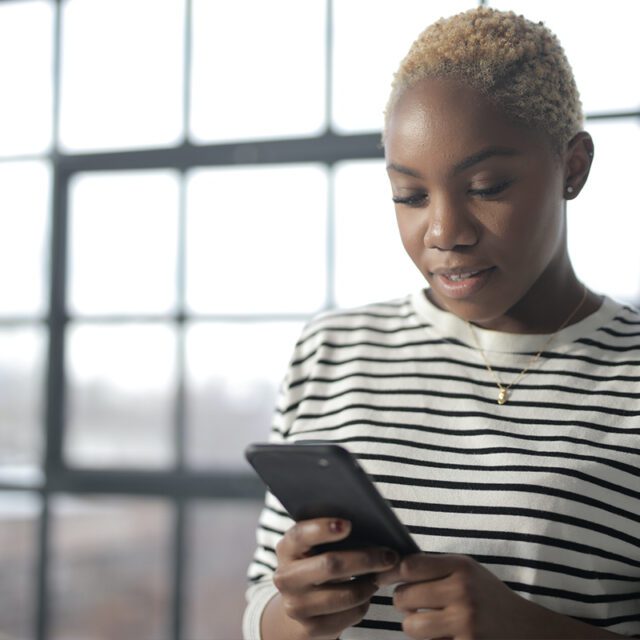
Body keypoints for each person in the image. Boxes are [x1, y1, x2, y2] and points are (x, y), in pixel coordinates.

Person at [243, 7, 640, 639]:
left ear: (573, 166)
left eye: (486, 186)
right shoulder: (335, 349)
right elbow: (262, 600)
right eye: (410, 195)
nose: (443, 233)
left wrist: (529, 631)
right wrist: (296, 612)